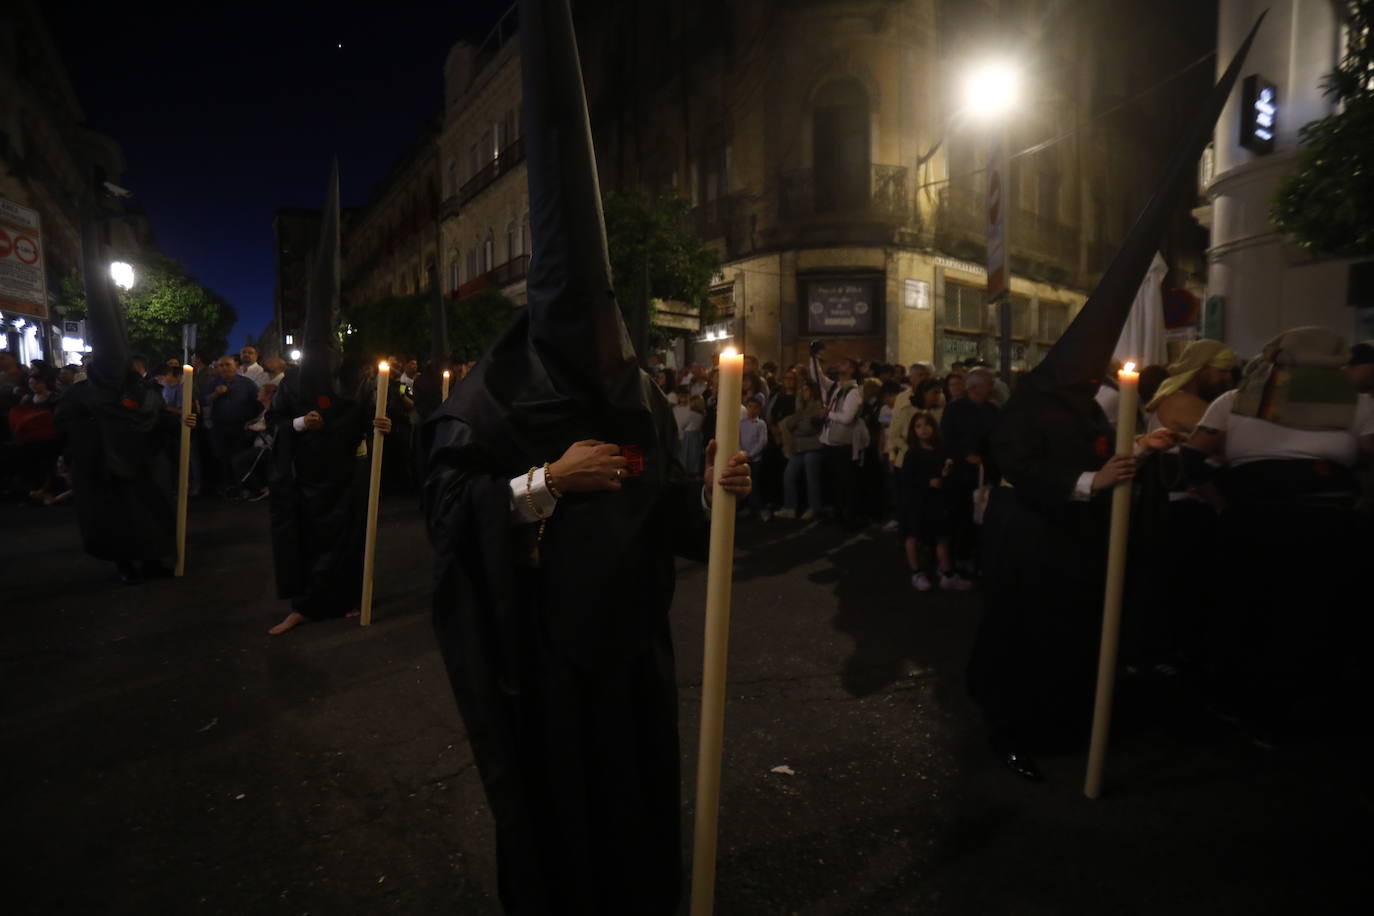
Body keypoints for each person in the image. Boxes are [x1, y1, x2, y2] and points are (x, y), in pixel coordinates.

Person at [422, 3, 751, 911]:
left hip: (632, 650)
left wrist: (713, 493)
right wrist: (542, 486)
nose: (609, 348)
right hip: (545, 661)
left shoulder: (630, 388)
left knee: (637, 804)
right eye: (589, 329)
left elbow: (660, 498)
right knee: (559, 819)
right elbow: (452, 530)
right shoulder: (485, 402)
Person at [1182, 327, 1374, 744]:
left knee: (1250, 611)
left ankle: (1248, 707)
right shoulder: (1358, 404)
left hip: (1254, 520)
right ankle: (1306, 710)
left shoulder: (1235, 401)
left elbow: (1191, 456)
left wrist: (1220, 503)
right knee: (1313, 615)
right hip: (1326, 525)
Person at [265, 166, 394, 635]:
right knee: (305, 541)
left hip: (345, 481)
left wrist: (382, 427)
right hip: (303, 483)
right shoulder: (291, 387)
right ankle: (304, 604)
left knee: (346, 540)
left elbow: (369, 424)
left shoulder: (354, 384)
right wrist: (299, 426)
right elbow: (274, 426)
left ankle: (345, 598)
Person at [940, 368, 998, 580]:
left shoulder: (993, 410)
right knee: (961, 517)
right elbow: (947, 439)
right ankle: (960, 558)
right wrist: (965, 455)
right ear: (975, 387)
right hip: (960, 475)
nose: (993, 388)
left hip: (985, 474)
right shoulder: (955, 409)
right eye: (989, 384)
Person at [900, 412, 960, 591]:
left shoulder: (940, 449)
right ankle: (917, 572)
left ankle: (946, 572)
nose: (923, 429)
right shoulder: (912, 453)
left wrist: (946, 473)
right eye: (918, 426)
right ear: (913, 430)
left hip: (936, 500)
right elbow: (907, 478)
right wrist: (927, 482)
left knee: (942, 534)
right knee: (913, 535)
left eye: (927, 425)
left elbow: (943, 471)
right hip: (916, 501)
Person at [809, 344, 863, 524]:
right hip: (829, 441)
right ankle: (838, 514)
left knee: (845, 483)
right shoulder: (836, 387)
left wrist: (828, 414)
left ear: (853, 370)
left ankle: (849, 517)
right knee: (834, 482)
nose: (841, 365)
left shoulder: (853, 392)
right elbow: (817, 377)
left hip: (842, 444)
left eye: (846, 364)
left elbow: (847, 418)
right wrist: (813, 357)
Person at [207, 355, 260, 496]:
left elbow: (258, 402)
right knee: (222, 458)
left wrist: (254, 421)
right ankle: (227, 487)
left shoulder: (247, 384)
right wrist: (214, 395)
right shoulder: (213, 383)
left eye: (227, 365)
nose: (224, 368)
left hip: (240, 427)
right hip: (220, 427)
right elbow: (202, 400)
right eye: (221, 365)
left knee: (239, 457)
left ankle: (241, 487)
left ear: (235, 366)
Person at [776, 379, 825, 519]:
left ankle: (814, 507)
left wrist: (796, 426)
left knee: (812, 479)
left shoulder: (817, 407)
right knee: (788, 475)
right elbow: (790, 423)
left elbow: (808, 428)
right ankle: (790, 507)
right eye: (802, 390)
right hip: (799, 448)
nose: (803, 393)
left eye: (806, 390)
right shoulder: (801, 408)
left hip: (813, 447)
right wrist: (797, 424)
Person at [739, 397, 769, 518]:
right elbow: (738, 438)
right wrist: (742, 453)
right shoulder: (742, 423)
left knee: (754, 483)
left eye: (755, 407)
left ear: (759, 409)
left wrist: (751, 454)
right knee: (744, 482)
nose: (752, 410)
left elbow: (762, 441)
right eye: (750, 406)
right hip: (744, 457)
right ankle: (746, 506)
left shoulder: (761, 424)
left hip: (755, 459)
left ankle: (756, 507)